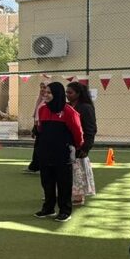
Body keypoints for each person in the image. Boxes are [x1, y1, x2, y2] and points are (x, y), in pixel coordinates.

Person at [33, 82, 83, 222]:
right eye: (45, 92)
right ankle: (48, 208)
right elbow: (40, 129)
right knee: (47, 182)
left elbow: (77, 132)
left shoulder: (69, 112)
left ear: (57, 94)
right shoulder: (42, 109)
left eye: (49, 92)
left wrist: (78, 146)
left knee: (64, 183)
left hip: (63, 153)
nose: (46, 95)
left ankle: (65, 210)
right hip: (45, 152)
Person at [66, 81, 97, 206]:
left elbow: (91, 129)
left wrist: (86, 147)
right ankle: (66, 193)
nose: (67, 95)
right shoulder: (67, 106)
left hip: (80, 145)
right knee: (68, 171)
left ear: (78, 94)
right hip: (68, 144)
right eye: (66, 92)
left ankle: (78, 196)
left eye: (70, 92)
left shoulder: (85, 108)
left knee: (78, 171)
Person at [25, 81, 49, 173]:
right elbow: (37, 114)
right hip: (38, 126)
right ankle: (34, 166)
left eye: (44, 87)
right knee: (37, 147)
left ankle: (41, 167)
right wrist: (34, 127)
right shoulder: (40, 100)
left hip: (45, 127)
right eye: (41, 87)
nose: (42, 89)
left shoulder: (48, 101)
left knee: (41, 148)